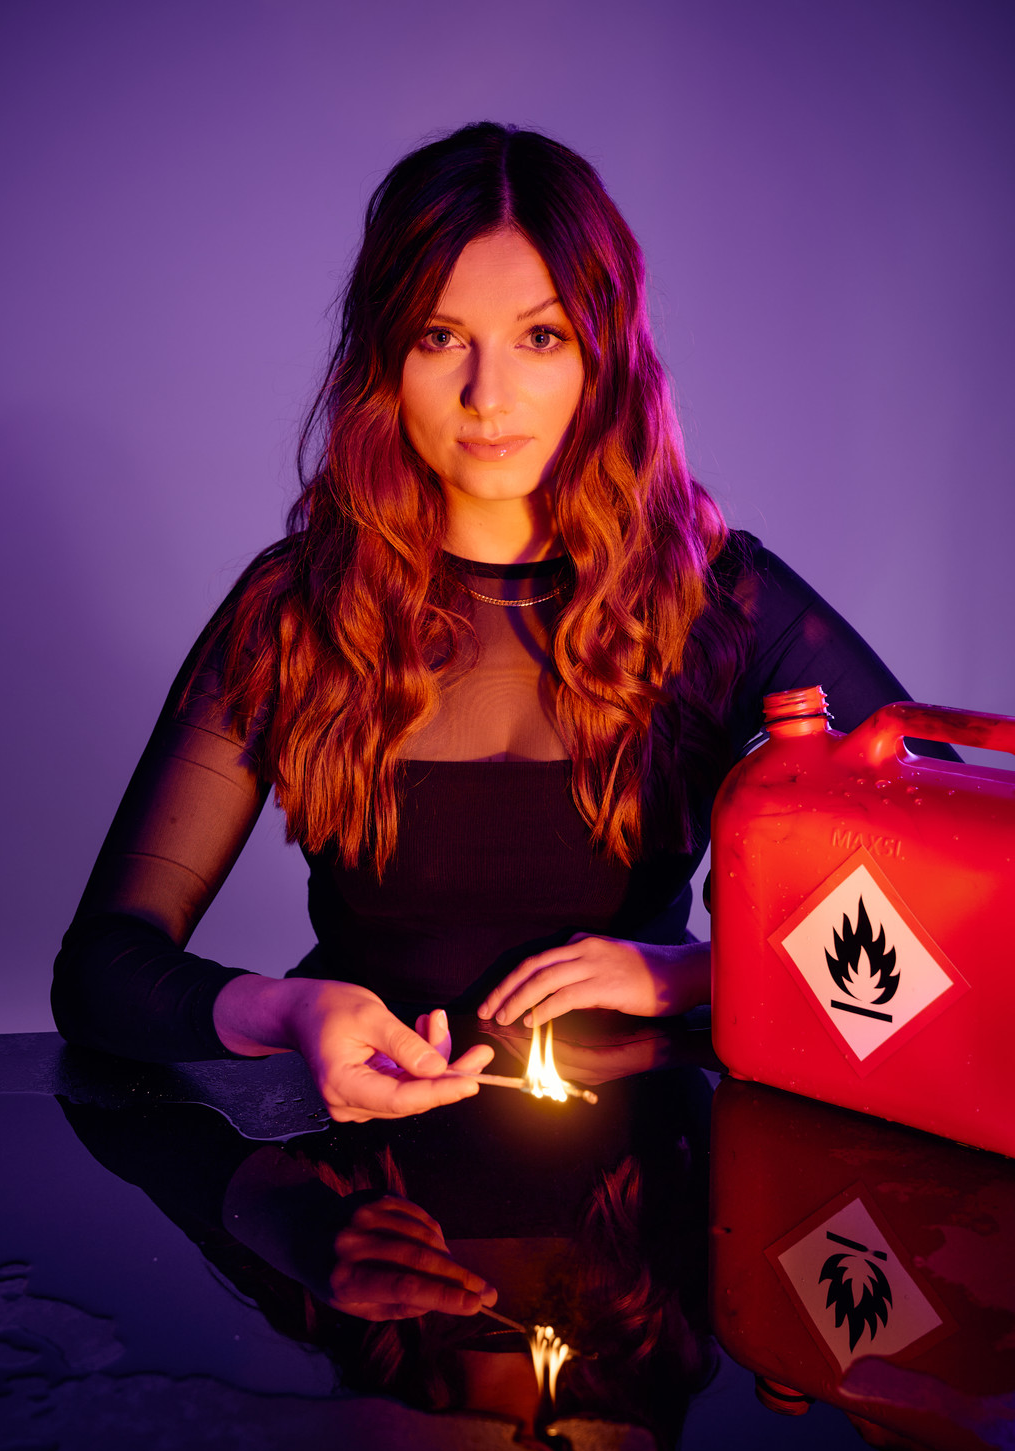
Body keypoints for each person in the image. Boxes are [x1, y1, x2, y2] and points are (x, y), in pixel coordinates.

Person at [51, 122, 915, 1123]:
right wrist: (289, 1009)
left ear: (603, 357)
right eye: (440, 337)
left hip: (659, 1175)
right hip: (361, 1172)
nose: (487, 396)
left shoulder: (720, 598)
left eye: (539, 338)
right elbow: (101, 971)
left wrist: (694, 972)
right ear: (385, 357)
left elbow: (944, 904)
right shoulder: (293, 611)